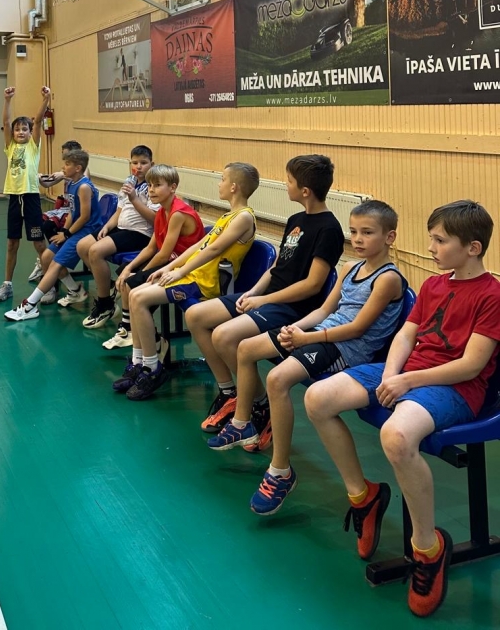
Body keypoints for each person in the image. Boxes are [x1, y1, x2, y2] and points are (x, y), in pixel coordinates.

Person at [304, 200, 500, 618]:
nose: (430, 247)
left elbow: (471, 365)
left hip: (455, 388)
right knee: (318, 398)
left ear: (473, 248)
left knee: (395, 435)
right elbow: (406, 337)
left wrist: (407, 382)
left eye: (440, 241)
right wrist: (392, 374)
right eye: (432, 238)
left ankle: (428, 548)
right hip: (408, 372)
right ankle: (364, 496)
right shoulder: (433, 286)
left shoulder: (492, 295)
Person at [216, 200, 406, 518]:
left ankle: (280, 471)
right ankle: (242, 423)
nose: (358, 239)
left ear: (389, 237)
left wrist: (308, 338)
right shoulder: (350, 268)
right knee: (246, 348)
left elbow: (357, 328)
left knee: (278, 378)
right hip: (319, 335)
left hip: (346, 349)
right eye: (354, 232)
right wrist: (297, 329)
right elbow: (324, 310)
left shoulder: (388, 279)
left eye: (367, 233)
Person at [186, 154, 344, 436]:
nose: (285, 185)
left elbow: (312, 285)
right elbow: (276, 267)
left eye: (289, 181)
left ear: (305, 191)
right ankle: (230, 391)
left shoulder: (329, 229)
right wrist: (253, 292)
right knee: (195, 315)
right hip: (268, 297)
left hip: (292, 307)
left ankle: (259, 405)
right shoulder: (295, 219)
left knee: (223, 336)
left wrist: (264, 300)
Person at [117, 163, 259, 402]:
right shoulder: (227, 216)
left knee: (139, 298)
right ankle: (139, 362)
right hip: (191, 276)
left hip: (205, 283)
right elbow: (198, 246)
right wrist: (169, 267)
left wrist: (179, 271)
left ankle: (152, 369)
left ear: (234, 187)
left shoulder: (244, 217)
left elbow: (213, 250)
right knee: (135, 293)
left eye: (223, 179)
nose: (219, 184)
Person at [107, 164, 205, 359]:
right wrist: (130, 268)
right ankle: (137, 331)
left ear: (173, 187)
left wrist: (139, 274)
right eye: (150, 185)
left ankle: (138, 333)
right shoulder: (161, 211)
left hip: (183, 266)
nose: (151, 190)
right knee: (125, 272)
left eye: (157, 185)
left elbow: (163, 255)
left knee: (133, 283)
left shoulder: (177, 213)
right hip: (169, 261)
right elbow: (151, 248)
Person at [4, 149, 103, 321]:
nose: (63, 167)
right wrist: (63, 231)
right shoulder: (71, 183)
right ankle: (76, 291)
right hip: (75, 229)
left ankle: (29, 306)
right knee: (46, 257)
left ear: (78, 168)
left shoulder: (84, 187)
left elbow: (85, 216)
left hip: (87, 230)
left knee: (55, 263)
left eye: (67, 164)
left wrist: (67, 234)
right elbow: (72, 212)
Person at [77, 145, 157, 331]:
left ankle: (105, 304)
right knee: (82, 246)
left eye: (143, 163)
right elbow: (119, 211)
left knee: (95, 251)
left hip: (140, 233)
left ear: (151, 164)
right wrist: (107, 226)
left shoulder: (153, 186)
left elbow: (154, 219)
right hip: (120, 228)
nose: (138, 167)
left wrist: (135, 198)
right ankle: (110, 286)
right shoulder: (129, 181)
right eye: (135, 163)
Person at [0, 85, 51, 303]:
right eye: (17, 129)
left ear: (30, 132)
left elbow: (39, 120)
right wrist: (7, 100)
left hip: (31, 198)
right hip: (15, 199)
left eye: (24, 129)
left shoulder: (33, 146)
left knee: (39, 244)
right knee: (12, 243)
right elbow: (6, 121)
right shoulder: (10, 147)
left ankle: (49, 284)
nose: (20, 132)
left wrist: (46, 99)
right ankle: (7, 284)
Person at [28, 139, 84, 284]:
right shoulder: (67, 172)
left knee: (49, 225)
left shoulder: (82, 177)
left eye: (67, 158)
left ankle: (55, 258)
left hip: (75, 211)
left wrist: (62, 175)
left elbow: (80, 209)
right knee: (41, 221)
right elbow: (47, 183)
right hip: (68, 208)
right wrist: (35, 176)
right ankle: (45, 259)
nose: (64, 161)